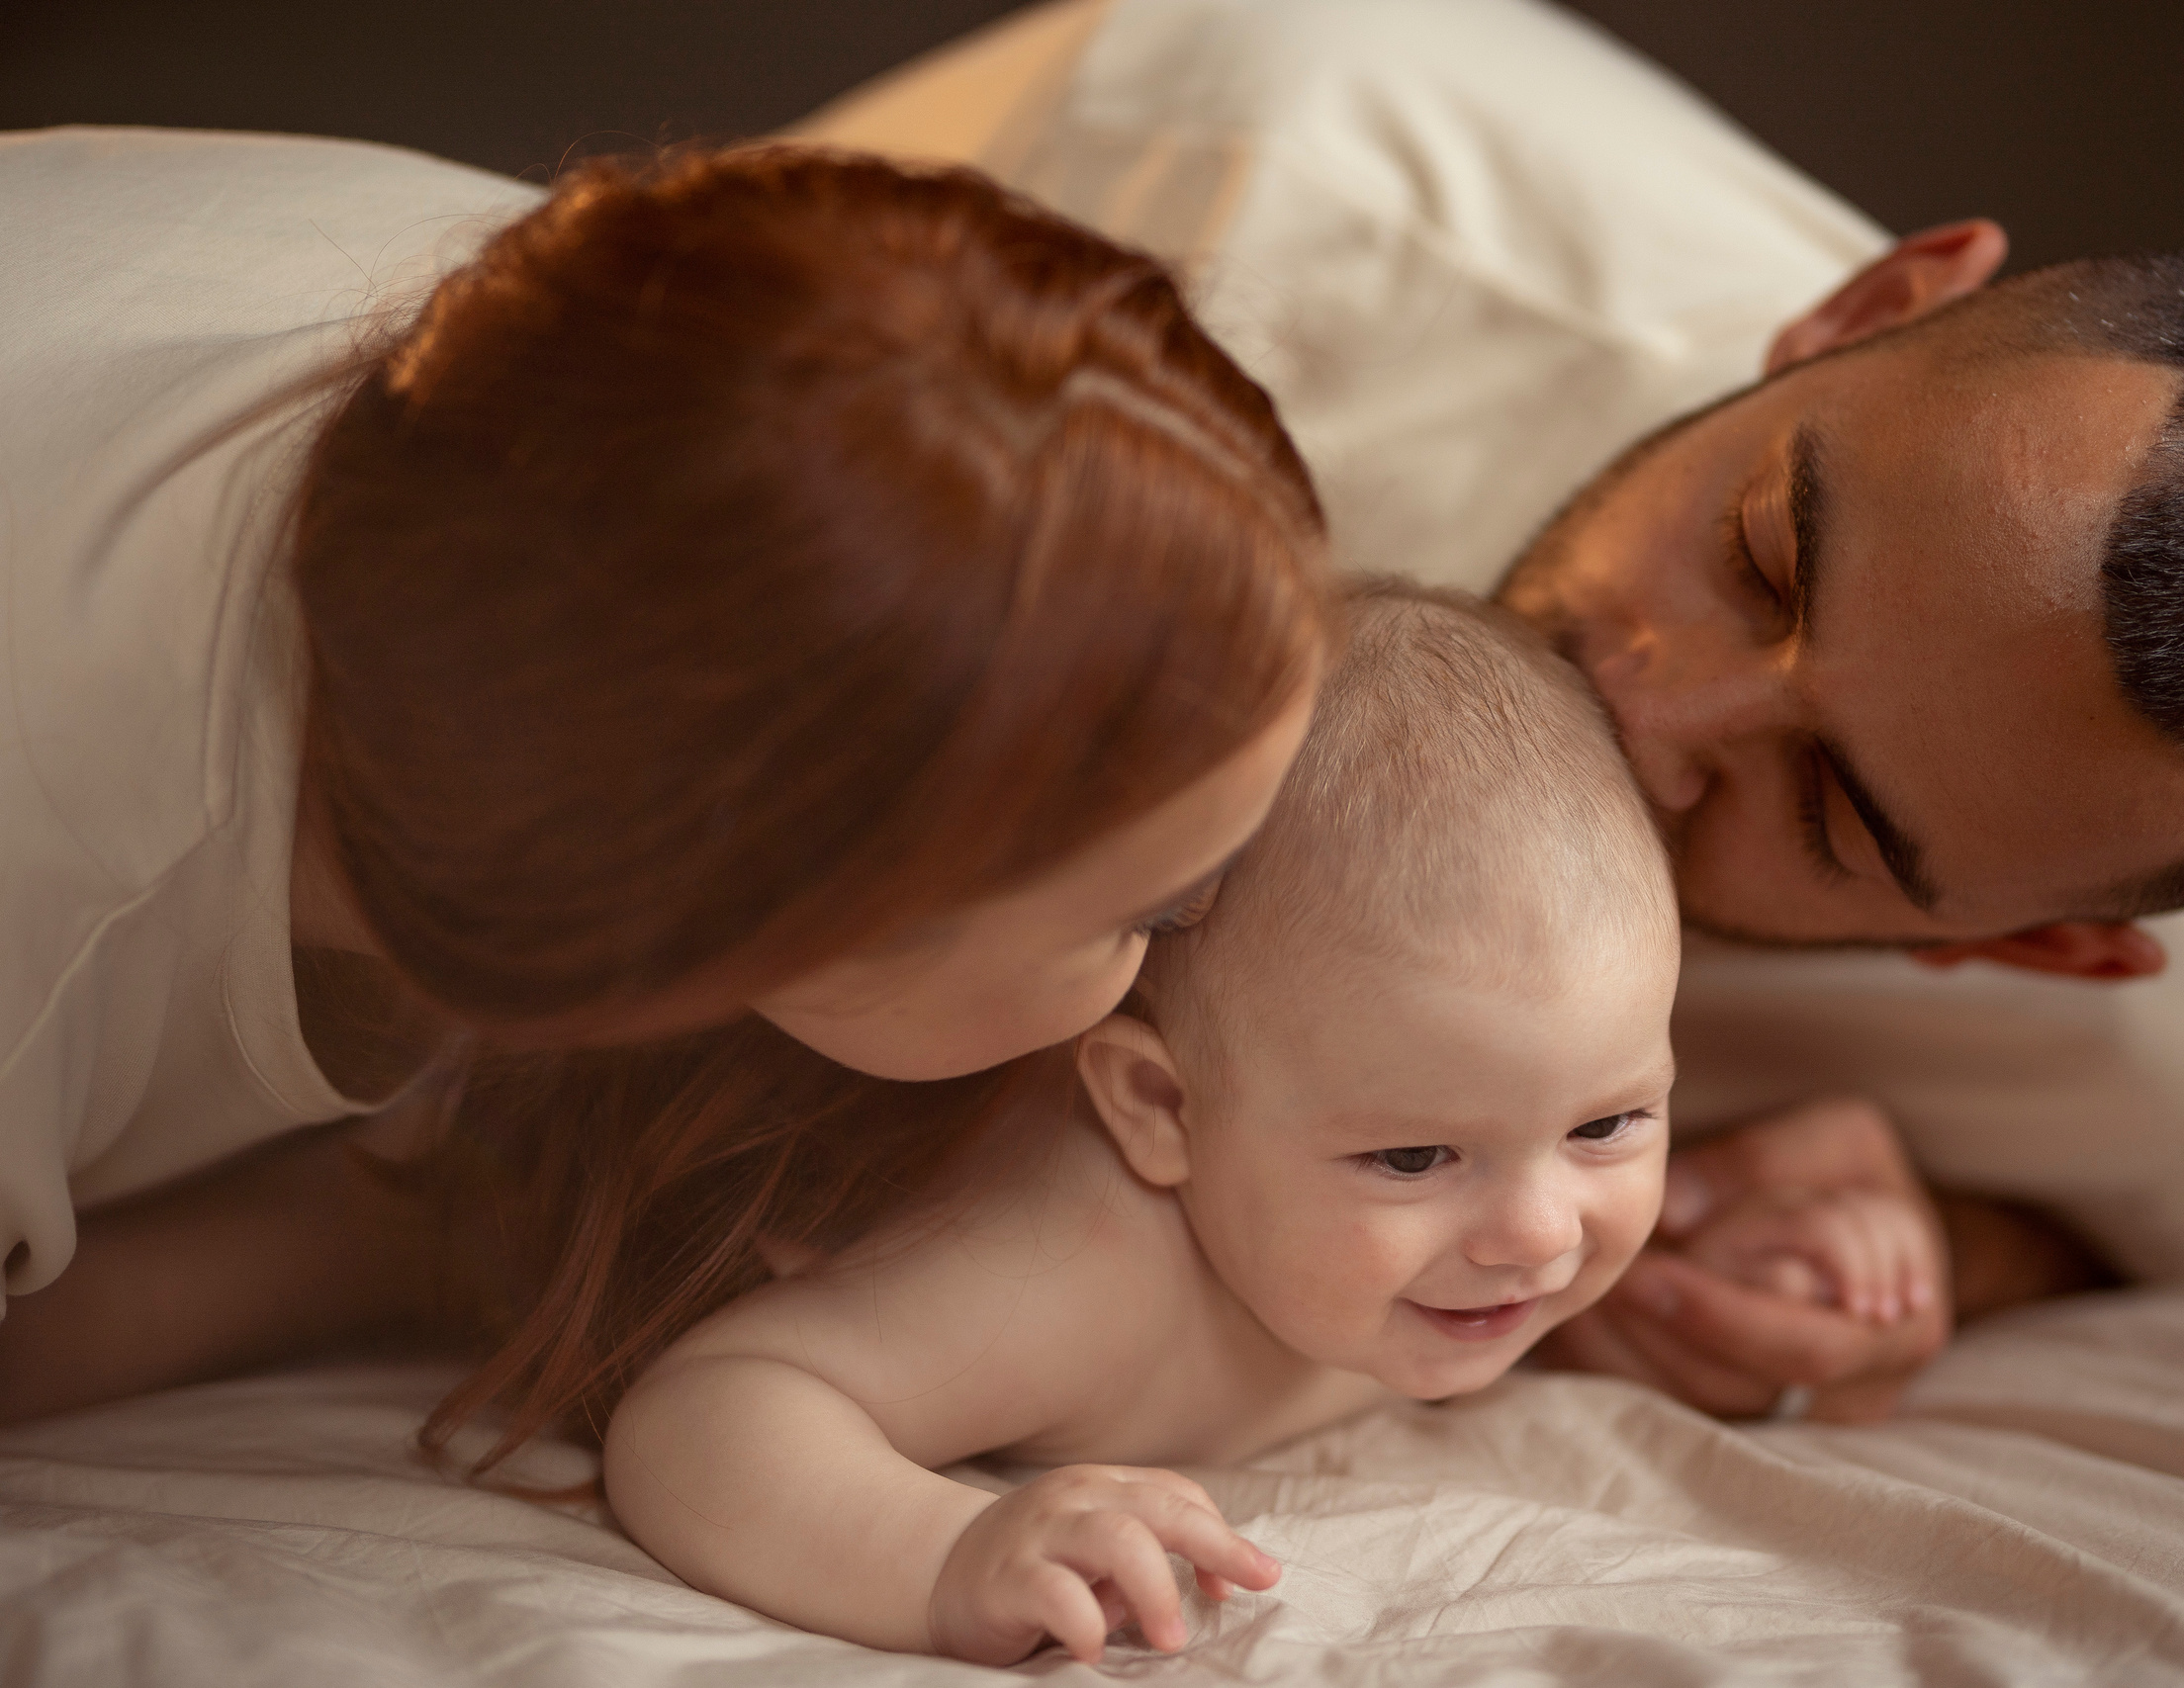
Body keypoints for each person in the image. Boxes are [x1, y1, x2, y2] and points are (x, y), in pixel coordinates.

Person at [792, 0, 2184, 1418]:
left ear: (2034, 949)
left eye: (1830, 810)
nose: (1643, 694)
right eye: (1762, 555)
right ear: (1863, 312)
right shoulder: (1262, 156)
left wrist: (1953, 1245)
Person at [0, 138, 1332, 1420]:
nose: (1217, 923)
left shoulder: (639, 338)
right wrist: (380, 1234)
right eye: (1151, 915)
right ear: (796, 910)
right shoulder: (51, 887)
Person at [586, 583, 1945, 1663]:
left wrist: (1790, 1261)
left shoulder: (1451, 1212)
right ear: (1160, 1108)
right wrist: (944, 1554)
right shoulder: (1080, 1267)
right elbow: (709, 1412)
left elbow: (1628, 1270)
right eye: (1414, 1156)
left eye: (1609, 1124)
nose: (1542, 1231)